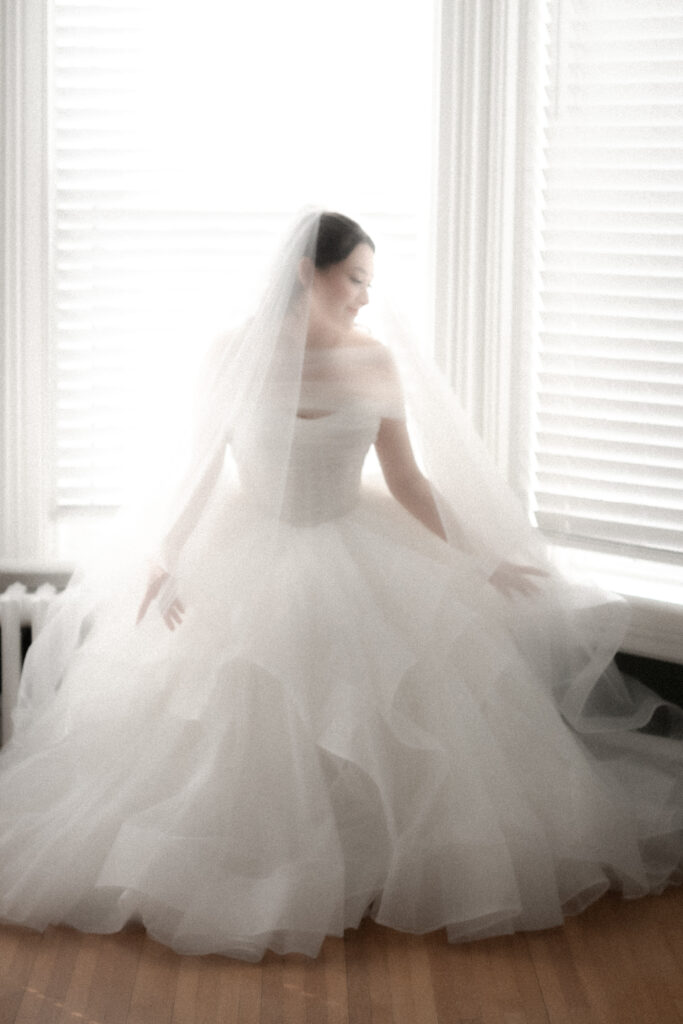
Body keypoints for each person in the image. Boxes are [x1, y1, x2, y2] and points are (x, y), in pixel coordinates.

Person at [0, 209, 681, 962]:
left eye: (368, 281)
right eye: (353, 277)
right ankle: (265, 862)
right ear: (306, 272)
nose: (364, 294)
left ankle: (378, 862)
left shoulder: (374, 362)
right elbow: (199, 467)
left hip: (359, 546)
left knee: (385, 712)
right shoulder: (230, 354)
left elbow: (408, 479)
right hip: (248, 549)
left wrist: (484, 556)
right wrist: (166, 553)